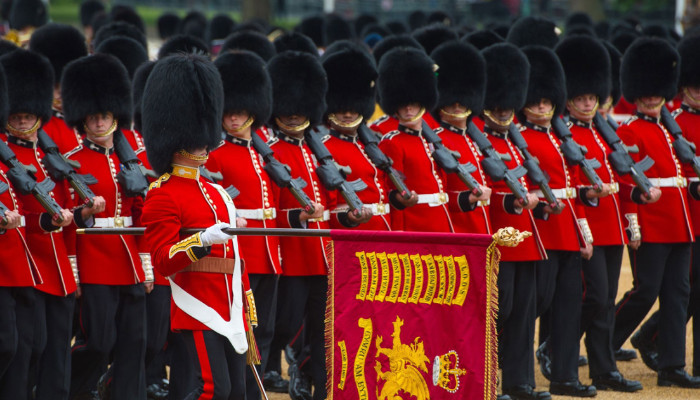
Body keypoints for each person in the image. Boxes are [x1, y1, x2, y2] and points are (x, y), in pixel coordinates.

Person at [141, 53, 251, 400]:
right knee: (214, 389)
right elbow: (162, 260)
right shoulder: (162, 194)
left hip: (230, 303)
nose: (203, 143)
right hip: (196, 304)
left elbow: (236, 257)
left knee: (237, 392)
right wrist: (201, 241)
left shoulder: (218, 192)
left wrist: (245, 299)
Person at [556, 35, 642, 392]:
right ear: (569, 100)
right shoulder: (566, 137)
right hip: (588, 225)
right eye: (580, 99)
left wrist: (631, 222)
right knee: (593, 296)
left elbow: (621, 179)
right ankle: (557, 347)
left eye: (592, 97)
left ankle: (604, 369)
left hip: (611, 224)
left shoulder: (603, 133)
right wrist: (584, 224)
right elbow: (570, 185)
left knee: (606, 301)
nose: (588, 103)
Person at [613, 37, 700, 388]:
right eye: (646, 94)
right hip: (651, 223)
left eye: (656, 93)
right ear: (636, 94)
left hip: (679, 223)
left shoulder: (669, 130)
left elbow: (681, 178)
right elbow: (627, 181)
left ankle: (671, 366)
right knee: (645, 291)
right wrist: (633, 224)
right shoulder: (628, 131)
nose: (652, 99)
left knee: (679, 293)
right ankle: (602, 342)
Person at [61, 53, 147, 400]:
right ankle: (65, 384)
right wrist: (74, 269)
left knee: (135, 342)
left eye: (105, 116)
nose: (98, 122)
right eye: (93, 117)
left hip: (130, 260)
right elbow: (66, 220)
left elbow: (142, 215)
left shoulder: (130, 160)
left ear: (115, 117)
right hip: (94, 260)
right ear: (83, 119)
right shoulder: (71, 163)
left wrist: (147, 264)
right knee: (98, 341)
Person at [518, 45, 600, 398]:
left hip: (566, 230)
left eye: (546, 102)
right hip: (541, 231)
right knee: (536, 303)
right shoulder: (520, 139)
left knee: (569, 306)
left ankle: (565, 376)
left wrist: (583, 233)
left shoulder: (559, 137)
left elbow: (572, 190)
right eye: (535, 103)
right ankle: (514, 367)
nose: (541, 108)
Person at [1, 48, 80, 400]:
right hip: (28, 262)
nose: (21, 122)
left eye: (27, 116)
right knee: (27, 349)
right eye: (15, 116)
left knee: (54, 351)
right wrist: (47, 222)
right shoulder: (8, 156)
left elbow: (67, 206)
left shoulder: (49, 156)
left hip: (57, 261)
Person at [208, 50, 280, 400]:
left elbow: (275, 206)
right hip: (242, 251)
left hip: (269, 250)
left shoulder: (264, 152)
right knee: (244, 327)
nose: (233, 118)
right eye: (229, 112)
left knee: (265, 326)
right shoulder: (216, 154)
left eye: (239, 111)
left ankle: (256, 388)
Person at [479, 42, 548, 400]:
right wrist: (513, 201)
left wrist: (539, 202)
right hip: (496, 238)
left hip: (525, 237)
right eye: (498, 105)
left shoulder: (515, 139)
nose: (504, 110)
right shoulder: (477, 141)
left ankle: (520, 382)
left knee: (524, 312)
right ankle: (488, 377)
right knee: (499, 311)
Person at [266, 50, 333, 400]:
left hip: (321, 254)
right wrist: (297, 218)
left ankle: (318, 382)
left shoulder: (315, 149)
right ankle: (277, 370)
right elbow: (269, 209)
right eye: (287, 108)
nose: (293, 114)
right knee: (285, 324)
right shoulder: (271, 152)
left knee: (322, 327)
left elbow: (331, 200)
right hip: (291, 253)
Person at [373, 47, 453, 232]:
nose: (408, 109)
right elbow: (391, 190)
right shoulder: (392, 142)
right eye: (403, 104)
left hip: (441, 221)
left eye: (414, 104)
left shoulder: (431, 139)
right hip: (415, 224)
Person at [320, 40, 393, 231]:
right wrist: (348, 218)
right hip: (356, 234)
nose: (347, 114)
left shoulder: (370, 143)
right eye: (341, 109)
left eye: (353, 110)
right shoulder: (325, 148)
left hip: (384, 230)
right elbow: (328, 207)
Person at [430, 40, 492, 234]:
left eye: (462, 102)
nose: (457, 106)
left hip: (484, 228)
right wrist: (467, 199)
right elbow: (439, 192)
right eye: (451, 103)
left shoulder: (476, 139)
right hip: (460, 229)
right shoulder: (436, 141)